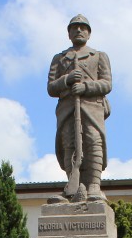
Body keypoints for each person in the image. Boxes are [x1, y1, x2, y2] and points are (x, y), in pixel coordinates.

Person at [47, 14, 111, 203]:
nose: (79, 31)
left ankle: (94, 186)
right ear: (69, 33)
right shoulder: (59, 59)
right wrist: (66, 80)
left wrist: (86, 87)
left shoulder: (98, 56)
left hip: (92, 108)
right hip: (67, 109)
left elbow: (107, 84)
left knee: (93, 141)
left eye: (83, 28)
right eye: (74, 28)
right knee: (69, 145)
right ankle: (72, 187)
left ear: (89, 33)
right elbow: (51, 87)